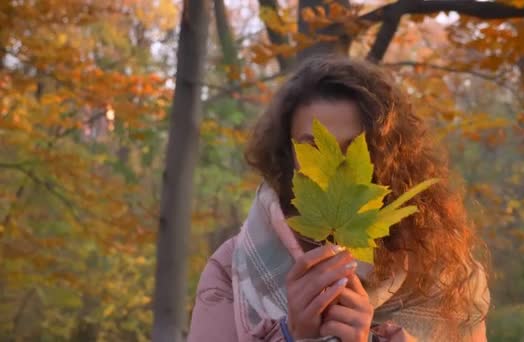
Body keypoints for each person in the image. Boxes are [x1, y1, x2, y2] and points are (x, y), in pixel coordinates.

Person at [187, 56, 490, 341]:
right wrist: (293, 335)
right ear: (288, 154)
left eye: (355, 149)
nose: (335, 170)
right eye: (312, 148)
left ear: (389, 157)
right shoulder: (232, 270)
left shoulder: (450, 276)